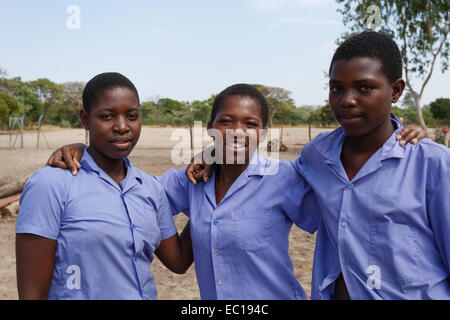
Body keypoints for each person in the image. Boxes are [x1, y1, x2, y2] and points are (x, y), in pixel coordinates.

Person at [47, 85, 425, 300]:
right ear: (210, 128)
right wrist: (82, 150)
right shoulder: (189, 180)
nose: (237, 131)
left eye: (250, 123)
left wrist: (396, 133)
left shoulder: (285, 178)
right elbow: (129, 192)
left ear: (262, 133)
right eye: (225, 121)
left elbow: (343, 223)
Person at [293, 31, 450, 299]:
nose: (347, 100)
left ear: (396, 91)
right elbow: (263, 180)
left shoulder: (432, 164)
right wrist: (215, 159)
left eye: (365, 88)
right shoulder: (316, 156)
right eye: (336, 88)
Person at [16, 72, 193, 300]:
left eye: (132, 116)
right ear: (85, 119)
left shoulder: (150, 188)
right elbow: (32, 294)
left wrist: (210, 201)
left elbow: (178, 261)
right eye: (107, 116)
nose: (122, 126)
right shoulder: (50, 184)